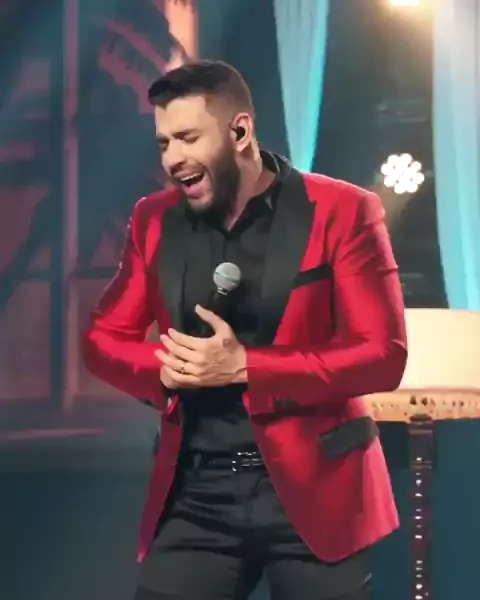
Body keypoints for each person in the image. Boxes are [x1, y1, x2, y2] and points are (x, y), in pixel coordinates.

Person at [82, 60, 407, 600]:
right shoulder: (153, 218)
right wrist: (167, 369)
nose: (172, 158)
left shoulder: (344, 210)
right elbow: (101, 338)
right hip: (197, 493)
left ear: (239, 132)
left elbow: (383, 355)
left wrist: (245, 367)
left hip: (317, 491)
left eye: (188, 138)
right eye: (164, 143)